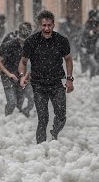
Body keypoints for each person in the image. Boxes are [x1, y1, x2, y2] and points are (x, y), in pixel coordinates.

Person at [18, 10, 74, 144]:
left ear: (53, 25)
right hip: (39, 85)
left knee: (61, 115)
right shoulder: (31, 41)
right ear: (39, 25)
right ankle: (40, 147)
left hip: (56, 84)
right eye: (44, 25)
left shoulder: (61, 40)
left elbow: (68, 59)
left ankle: (54, 133)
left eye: (49, 25)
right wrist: (21, 76)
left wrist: (69, 79)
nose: (47, 28)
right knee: (43, 118)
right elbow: (23, 62)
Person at [0, 22, 34, 117]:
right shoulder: (9, 45)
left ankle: (22, 116)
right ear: (19, 35)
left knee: (29, 99)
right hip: (8, 76)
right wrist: (9, 74)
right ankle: (7, 118)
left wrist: (26, 76)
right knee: (12, 102)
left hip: (23, 76)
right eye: (22, 41)